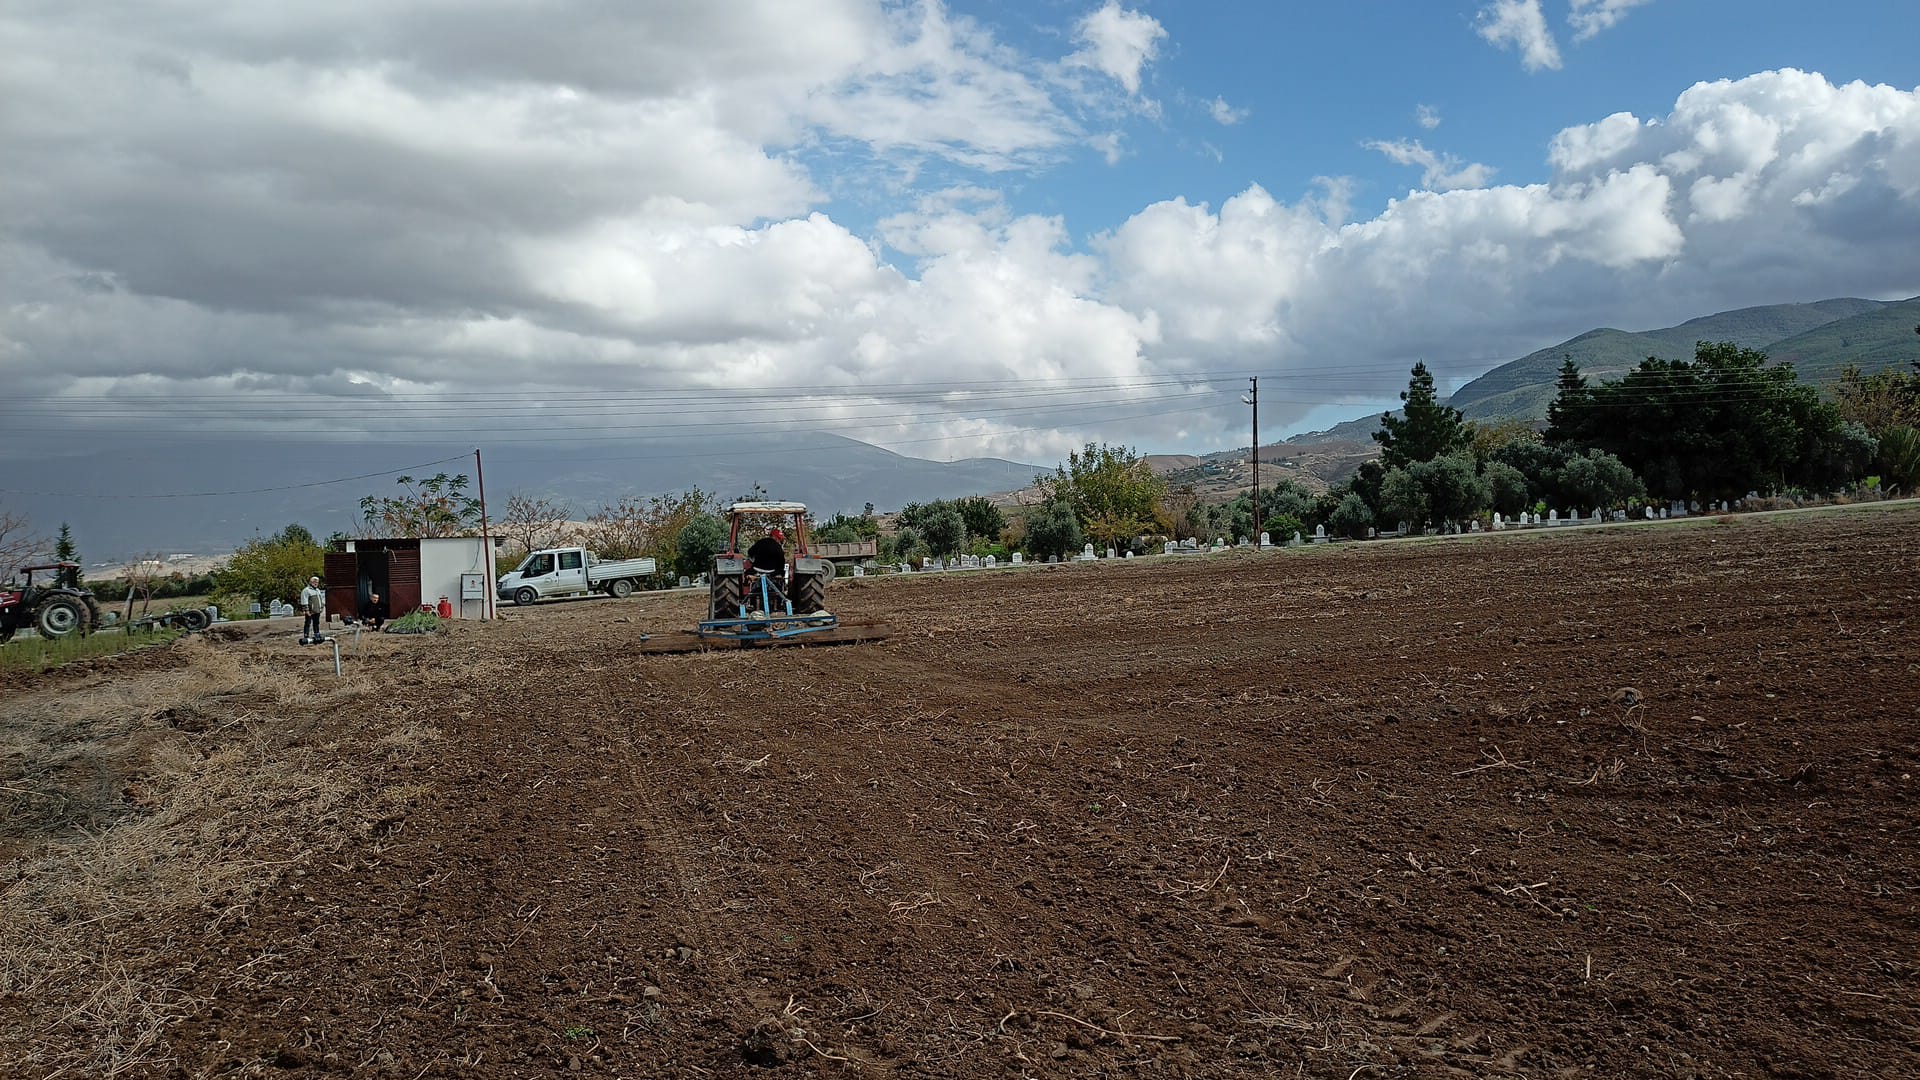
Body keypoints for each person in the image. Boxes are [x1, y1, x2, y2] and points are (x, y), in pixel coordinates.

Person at [743, 527, 789, 615]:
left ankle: (749, 600)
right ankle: (778, 604)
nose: (780, 541)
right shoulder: (778, 548)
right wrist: (779, 573)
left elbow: (750, 552)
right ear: (775, 537)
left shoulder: (760, 542)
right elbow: (781, 563)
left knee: (746, 574)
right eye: (779, 539)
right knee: (780, 581)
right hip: (772, 571)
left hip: (757, 570)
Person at [298, 575, 326, 644]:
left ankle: (317, 634)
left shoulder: (318, 590)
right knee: (308, 623)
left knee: (316, 623)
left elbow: (321, 600)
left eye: (317, 582)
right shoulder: (306, 590)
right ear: (311, 582)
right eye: (314, 582)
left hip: (317, 610)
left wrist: (321, 607)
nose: (316, 583)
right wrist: (306, 610)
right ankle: (306, 635)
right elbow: (304, 601)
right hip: (310, 611)